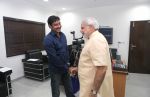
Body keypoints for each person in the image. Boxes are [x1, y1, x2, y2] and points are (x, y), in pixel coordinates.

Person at [77, 17, 115, 97]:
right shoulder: (93, 38)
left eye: (82, 28)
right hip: (88, 84)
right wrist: (79, 69)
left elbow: (102, 68)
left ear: (90, 27)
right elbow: (92, 62)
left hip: (92, 88)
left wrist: (94, 92)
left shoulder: (96, 40)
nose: (81, 30)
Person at [43, 15, 75, 97]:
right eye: (56, 25)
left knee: (69, 89)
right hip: (55, 70)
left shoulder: (63, 35)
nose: (59, 26)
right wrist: (66, 67)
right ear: (50, 26)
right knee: (56, 91)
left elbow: (66, 50)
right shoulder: (48, 40)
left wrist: (69, 64)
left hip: (65, 67)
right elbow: (54, 58)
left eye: (59, 23)